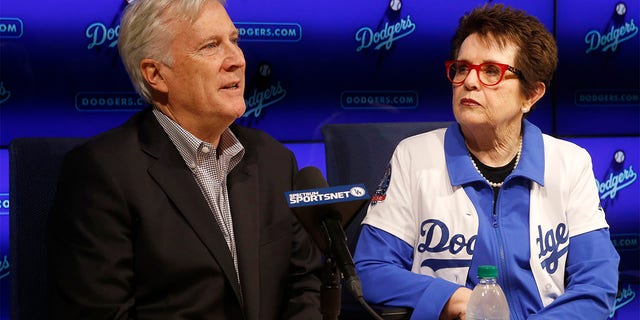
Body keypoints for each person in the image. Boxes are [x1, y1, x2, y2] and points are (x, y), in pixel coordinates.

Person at [47, 0, 323, 319]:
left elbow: (303, 285)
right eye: (210, 46)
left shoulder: (274, 160)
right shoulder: (101, 174)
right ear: (156, 75)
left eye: (234, 40)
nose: (236, 60)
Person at [353, 3, 620, 320]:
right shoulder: (414, 157)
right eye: (462, 68)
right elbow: (371, 270)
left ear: (530, 95)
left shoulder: (570, 163)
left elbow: (596, 285)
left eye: (491, 71)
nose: (470, 81)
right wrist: (448, 298)